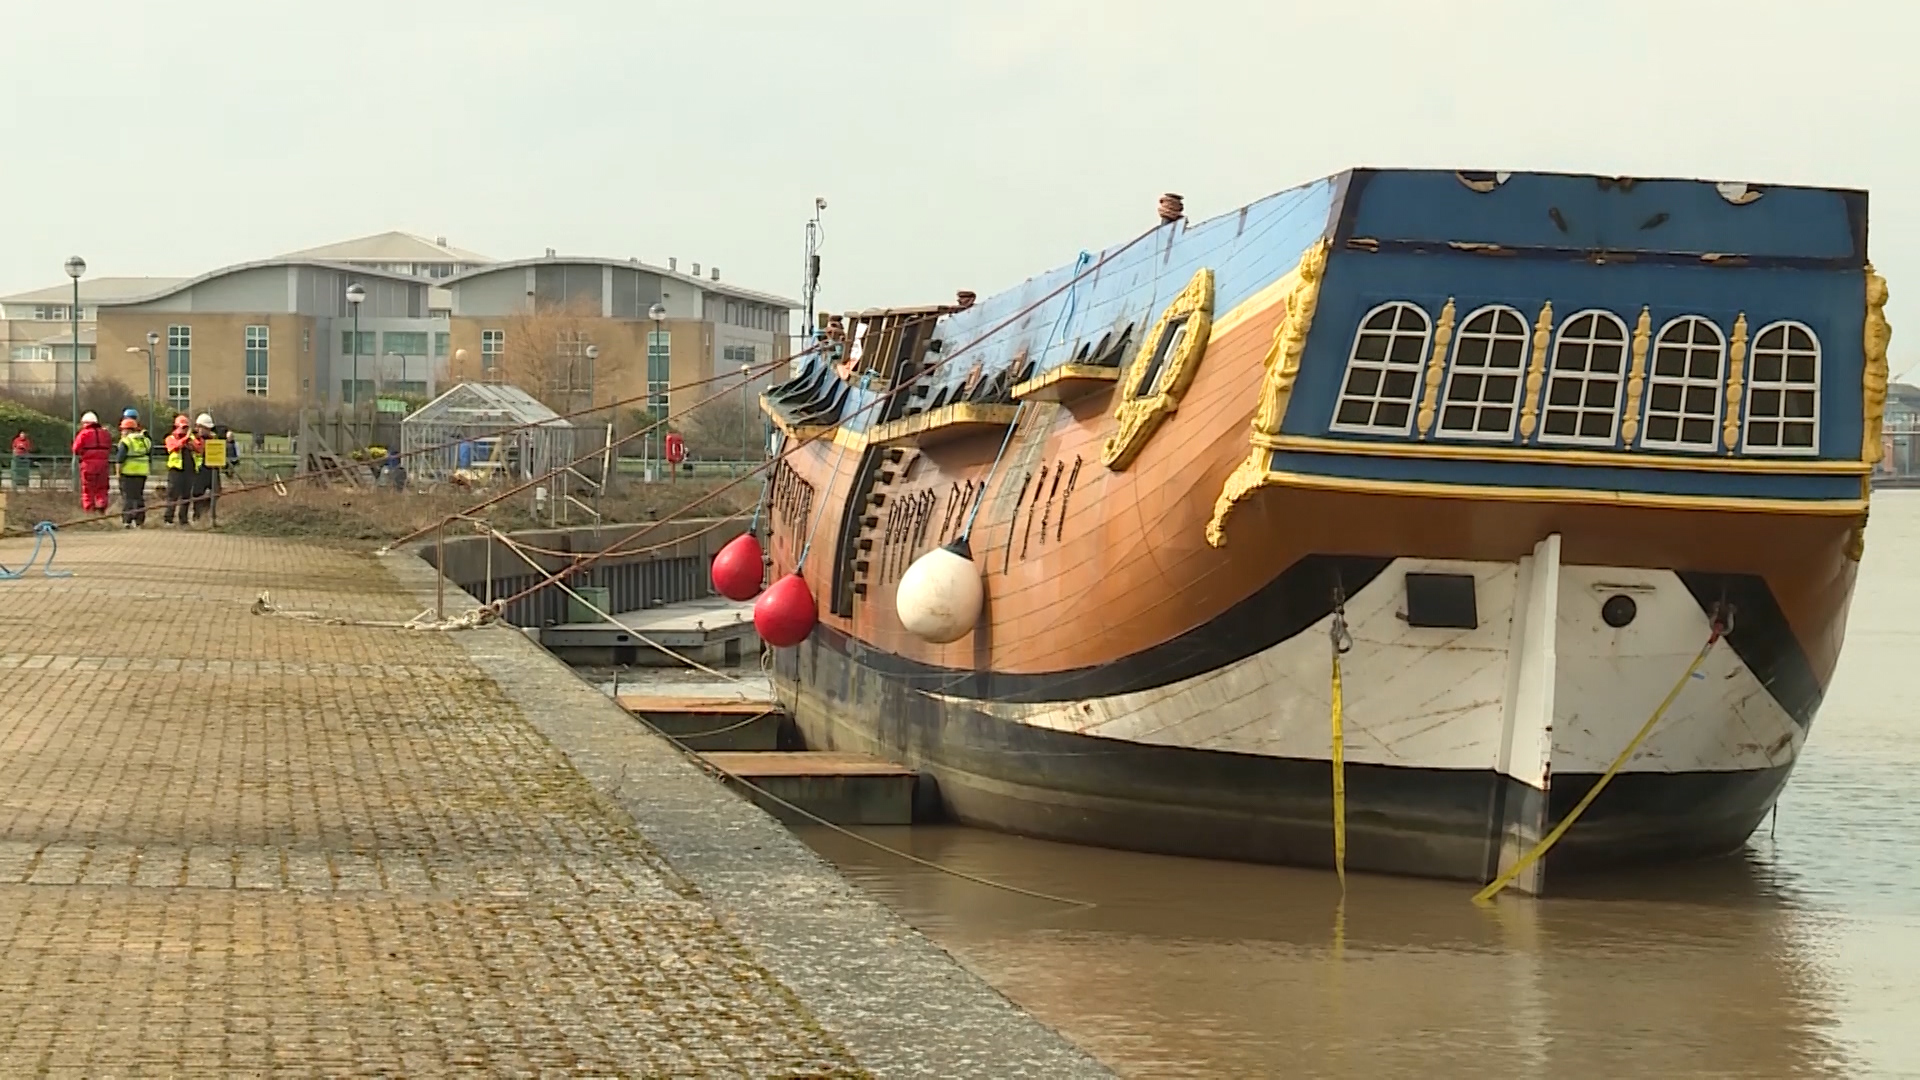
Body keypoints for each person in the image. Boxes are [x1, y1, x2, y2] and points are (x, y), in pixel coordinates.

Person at [70, 412, 115, 514]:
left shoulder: (84, 434)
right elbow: (109, 447)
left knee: (88, 489)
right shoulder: (105, 433)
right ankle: (101, 506)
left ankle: (89, 511)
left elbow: (75, 448)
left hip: (88, 465)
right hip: (103, 465)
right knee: (102, 487)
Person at [162, 415, 202, 527]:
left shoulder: (191, 438)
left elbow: (200, 449)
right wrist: (185, 440)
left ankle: (183, 520)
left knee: (186, 496)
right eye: (183, 427)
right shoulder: (170, 438)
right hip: (176, 471)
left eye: (186, 427)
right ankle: (168, 519)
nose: (184, 430)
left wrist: (192, 443)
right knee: (172, 495)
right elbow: (173, 447)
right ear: (176, 427)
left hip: (189, 471)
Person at [112, 416, 152, 528]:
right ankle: (140, 521)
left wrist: (118, 473)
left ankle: (127, 521)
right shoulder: (146, 440)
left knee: (128, 498)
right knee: (139, 497)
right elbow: (150, 456)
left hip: (128, 474)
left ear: (128, 430)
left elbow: (119, 459)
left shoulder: (126, 441)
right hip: (142, 474)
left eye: (123, 430)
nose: (122, 432)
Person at [190, 412, 226, 523]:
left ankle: (206, 512)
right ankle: (197, 516)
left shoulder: (213, 438)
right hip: (199, 470)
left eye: (209, 428)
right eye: (205, 428)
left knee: (216, 491)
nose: (207, 430)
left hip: (212, 469)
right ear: (198, 427)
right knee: (197, 493)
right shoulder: (193, 438)